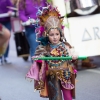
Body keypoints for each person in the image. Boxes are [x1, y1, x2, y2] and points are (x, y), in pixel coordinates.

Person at [26, 5, 78, 100]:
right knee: (55, 98)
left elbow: (73, 54)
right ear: (46, 35)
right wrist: (39, 59)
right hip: (51, 76)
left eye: (57, 34)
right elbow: (39, 59)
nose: (55, 37)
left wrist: (74, 56)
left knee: (68, 97)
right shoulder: (44, 47)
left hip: (65, 75)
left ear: (60, 34)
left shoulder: (66, 46)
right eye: (52, 35)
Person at [0, 0, 14, 64]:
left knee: (7, 38)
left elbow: (11, 6)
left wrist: (10, 11)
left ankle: (6, 56)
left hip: (6, 20)